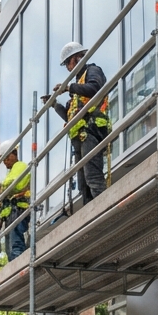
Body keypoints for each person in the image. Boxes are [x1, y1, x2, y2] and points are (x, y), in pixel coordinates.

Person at [45, 42, 109, 203]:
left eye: (68, 62)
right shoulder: (78, 85)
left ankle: (105, 210)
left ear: (77, 58)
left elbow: (95, 88)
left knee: (93, 177)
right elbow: (70, 116)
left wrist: (69, 87)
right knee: (83, 184)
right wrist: (54, 105)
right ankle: (91, 218)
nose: (67, 68)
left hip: (91, 130)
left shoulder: (92, 71)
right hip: (80, 136)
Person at [0, 146, 30, 260]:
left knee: (16, 244)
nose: (4, 162)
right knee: (10, 249)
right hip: (12, 212)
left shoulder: (20, 166)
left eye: (6, 158)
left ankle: (18, 264)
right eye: (2, 159)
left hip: (19, 208)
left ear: (13, 154)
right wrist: (1, 220)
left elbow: (14, 184)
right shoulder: (10, 172)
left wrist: (0, 187)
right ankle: (15, 265)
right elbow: (7, 199)